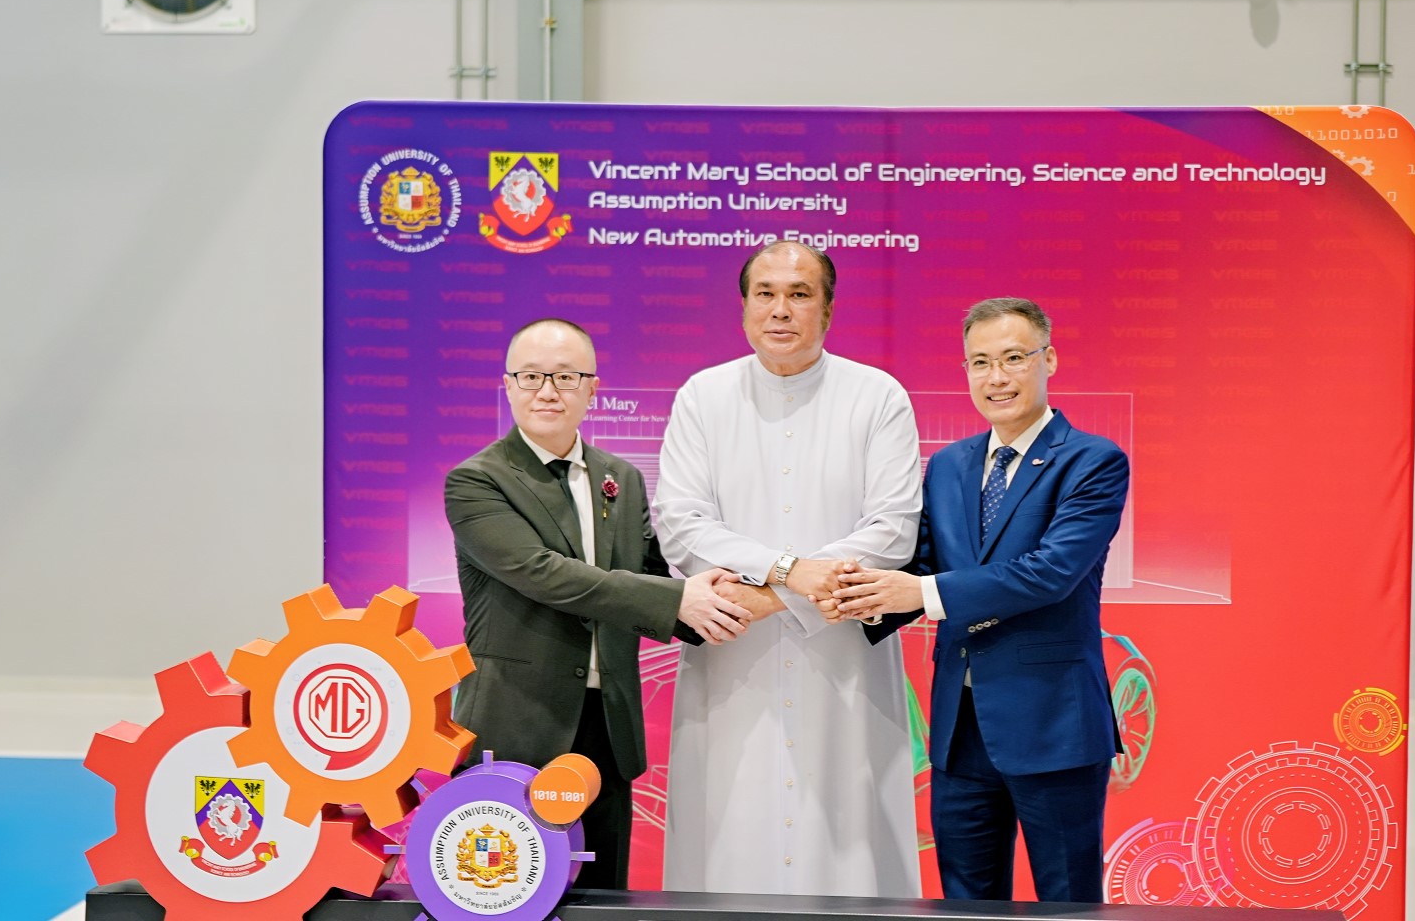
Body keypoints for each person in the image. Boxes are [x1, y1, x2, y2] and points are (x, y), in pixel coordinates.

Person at [827, 297, 1129, 903]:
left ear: (1049, 359)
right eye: (980, 362)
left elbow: (1050, 573)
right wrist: (851, 592)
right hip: (960, 728)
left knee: (1068, 903)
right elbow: (923, 566)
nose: (997, 377)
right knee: (965, 904)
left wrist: (920, 590)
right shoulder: (948, 466)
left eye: (1014, 358)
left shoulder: (1093, 461)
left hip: (1053, 725)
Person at [444, 318, 752, 891]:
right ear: (508, 385)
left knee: (604, 894)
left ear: (592, 389)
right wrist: (680, 598)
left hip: (607, 728)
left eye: (566, 376)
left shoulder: (622, 478)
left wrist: (732, 601)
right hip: (516, 725)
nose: (547, 391)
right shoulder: (476, 481)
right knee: (501, 892)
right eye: (531, 376)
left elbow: (650, 578)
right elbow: (545, 576)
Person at [654, 241, 923, 896]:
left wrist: (776, 597)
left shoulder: (877, 396)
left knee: (850, 842)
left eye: (800, 294)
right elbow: (682, 525)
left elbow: (892, 531)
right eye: (765, 293)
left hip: (844, 662)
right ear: (744, 306)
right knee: (726, 842)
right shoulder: (703, 396)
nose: (781, 309)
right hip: (730, 660)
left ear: (827, 309)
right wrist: (787, 570)